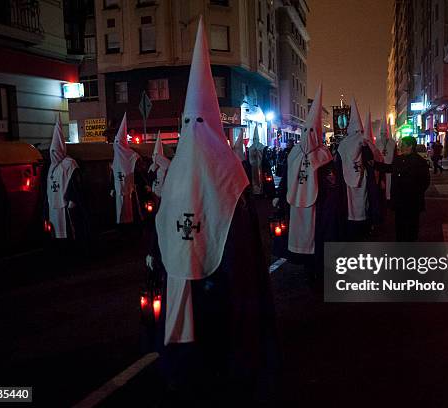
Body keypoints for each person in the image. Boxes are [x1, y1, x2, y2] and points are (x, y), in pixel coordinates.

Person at [155, 17, 277, 403]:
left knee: (208, 341)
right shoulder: (219, 168)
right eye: (186, 122)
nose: (192, 129)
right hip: (197, 282)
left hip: (211, 284)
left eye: (195, 122)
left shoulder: (209, 171)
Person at [283, 84, 347, 282]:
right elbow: (286, 179)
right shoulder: (294, 154)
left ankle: (318, 272)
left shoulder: (324, 155)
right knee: (303, 240)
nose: (308, 134)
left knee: (318, 240)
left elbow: (332, 182)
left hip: (319, 207)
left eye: (312, 130)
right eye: (306, 130)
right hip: (297, 207)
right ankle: (309, 269)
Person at [375, 136, 430, 242]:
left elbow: (425, 182)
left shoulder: (420, 162)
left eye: (403, 145)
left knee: (411, 228)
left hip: (412, 202)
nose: (400, 147)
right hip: (399, 201)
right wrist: (375, 164)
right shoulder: (399, 159)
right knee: (400, 228)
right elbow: (389, 168)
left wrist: (412, 191)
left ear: (410, 146)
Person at [45, 115, 87, 241]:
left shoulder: (70, 164)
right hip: (54, 207)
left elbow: (74, 184)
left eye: (56, 151)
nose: (54, 154)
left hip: (65, 206)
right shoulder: (51, 167)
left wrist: (72, 199)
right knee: (55, 234)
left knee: (68, 232)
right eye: (52, 152)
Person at [336, 98, 370, 241]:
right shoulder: (364, 143)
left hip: (346, 179)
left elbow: (337, 162)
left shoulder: (343, 144)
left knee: (350, 206)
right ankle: (362, 230)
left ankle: (350, 230)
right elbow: (370, 160)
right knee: (361, 203)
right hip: (362, 179)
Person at [112, 113, 141, 225]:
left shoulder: (132, 156)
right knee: (120, 212)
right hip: (118, 189)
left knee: (130, 212)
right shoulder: (116, 157)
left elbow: (137, 171)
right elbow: (113, 172)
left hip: (130, 191)